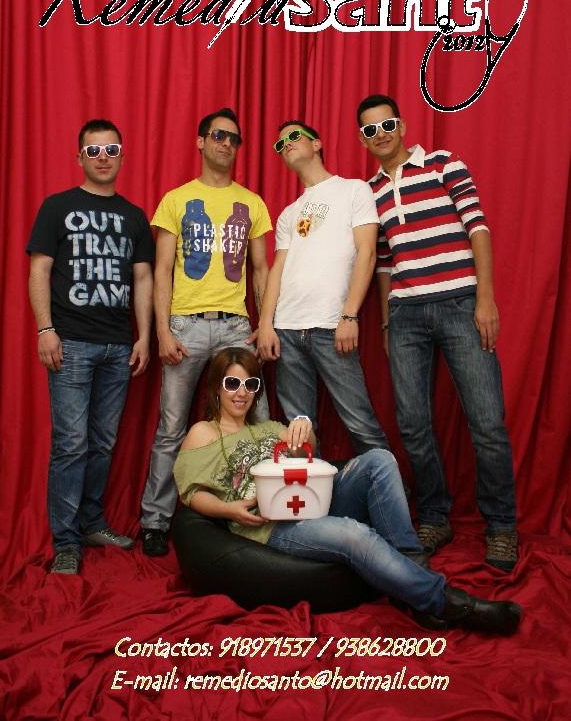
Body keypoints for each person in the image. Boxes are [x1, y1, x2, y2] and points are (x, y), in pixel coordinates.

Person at [174, 347, 521, 634]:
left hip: (311, 498)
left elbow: (309, 448)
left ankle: (412, 579)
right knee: (355, 535)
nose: (242, 392)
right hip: (271, 524)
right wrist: (230, 510)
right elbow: (191, 494)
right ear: (216, 387)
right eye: (232, 383)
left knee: (380, 459)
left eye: (250, 384)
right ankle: (450, 603)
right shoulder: (203, 432)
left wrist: (303, 428)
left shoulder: (267, 427)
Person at [357, 94, 518, 571]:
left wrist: (485, 298)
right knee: (412, 423)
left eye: (386, 124)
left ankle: (501, 525)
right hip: (405, 314)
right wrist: (386, 321)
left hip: (460, 304)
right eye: (369, 130)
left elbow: (478, 229)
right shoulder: (371, 192)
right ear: (363, 140)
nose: (380, 134)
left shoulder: (444, 163)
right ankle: (434, 516)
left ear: (402, 125)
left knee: (487, 422)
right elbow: (383, 263)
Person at [140, 108, 272, 557]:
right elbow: (161, 269)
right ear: (200, 142)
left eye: (234, 139)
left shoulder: (252, 203)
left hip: (235, 324)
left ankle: (263, 507)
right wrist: (163, 330)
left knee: (256, 419)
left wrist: (263, 324)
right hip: (186, 325)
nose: (226, 144)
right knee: (171, 427)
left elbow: (260, 269)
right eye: (218, 136)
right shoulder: (176, 199)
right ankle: (155, 522)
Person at [27, 118, 154, 574]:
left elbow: (143, 278)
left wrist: (144, 335)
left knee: (102, 443)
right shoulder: (57, 207)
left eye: (111, 150)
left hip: (118, 347)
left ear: (122, 156)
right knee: (71, 445)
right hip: (71, 343)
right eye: (94, 150)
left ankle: (92, 523)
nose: (103, 158)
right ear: (79, 157)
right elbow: (40, 270)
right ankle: (65, 541)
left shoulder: (134, 216)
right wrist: (45, 329)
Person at [256, 120, 388, 454]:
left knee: (361, 424)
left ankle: (386, 488)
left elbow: (367, 253)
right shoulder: (288, 213)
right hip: (287, 331)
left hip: (331, 325)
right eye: (280, 143)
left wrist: (350, 315)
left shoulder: (354, 190)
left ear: (317, 144)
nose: (286, 144)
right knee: (299, 433)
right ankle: (311, 491)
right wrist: (266, 324)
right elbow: (278, 270)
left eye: (294, 136)